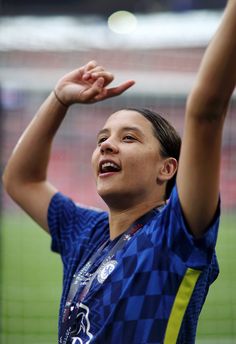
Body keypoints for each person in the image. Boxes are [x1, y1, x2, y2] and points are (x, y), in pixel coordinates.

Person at [2, 0, 236, 342]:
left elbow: (206, 111)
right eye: (102, 138)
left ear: (168, 168)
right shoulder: (85, 233)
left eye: (128, 138)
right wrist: (59, 99)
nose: (106, 146)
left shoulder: (174, 234)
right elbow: (21, 180)